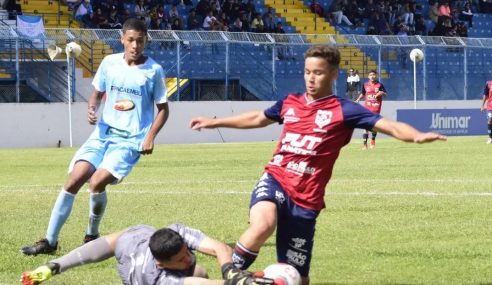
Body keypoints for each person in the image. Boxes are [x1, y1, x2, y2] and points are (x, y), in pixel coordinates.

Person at [189, 45, 447, 285]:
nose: (311, 78)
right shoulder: (290, 103)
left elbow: (388, 125)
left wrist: (415, 135)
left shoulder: (345, 110)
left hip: (307, 199)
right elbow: (258, 117)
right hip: (276, 178)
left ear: (334, 74)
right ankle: (227, 279)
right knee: (263, 224)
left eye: (318, 73)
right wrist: (214, 122)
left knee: (298, 278)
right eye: (307, 72)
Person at [20, 18, 170, 256]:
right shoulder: (110, 63)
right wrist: (92, 108)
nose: (135, 45)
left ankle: (91, 235)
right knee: (73, 180)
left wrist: (150, 136)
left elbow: (163, 109)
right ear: (122, 39)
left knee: (97, 181)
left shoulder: (153, 71)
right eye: (131, 40)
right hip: (101, 135)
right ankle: (49, 241)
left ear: (145, 42)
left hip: (130, 141)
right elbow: (96, 94)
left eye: (140, 41)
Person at [21, 223, 272, 285]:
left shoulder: (145, 234)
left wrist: (54, 266)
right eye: (180, 259)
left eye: (186, 252)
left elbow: (219, 248)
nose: (188, 256)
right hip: (137, 278)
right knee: (200, 274)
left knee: (199, 269)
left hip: (139, 245)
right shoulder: (158, 277)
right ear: (162, 265)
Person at [355, 69, 387, 150]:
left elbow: (385, 93)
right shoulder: (365, 84)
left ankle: (373, 140)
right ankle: (365, 144)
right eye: (370, 75)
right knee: (366, 126)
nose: (372, 76)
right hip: (367, 108)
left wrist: (380, 93)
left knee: (374, 126)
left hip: (376, 108)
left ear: (376, 75)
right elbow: (363, 93)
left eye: (374, 75)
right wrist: (358, 99)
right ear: (368, 76)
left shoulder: (380, 85)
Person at [480, 78, 492, 144]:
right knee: (490, 119)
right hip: (490, 106)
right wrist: (482, 105)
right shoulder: (488, 83)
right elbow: (485, 95)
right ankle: (490, 137)